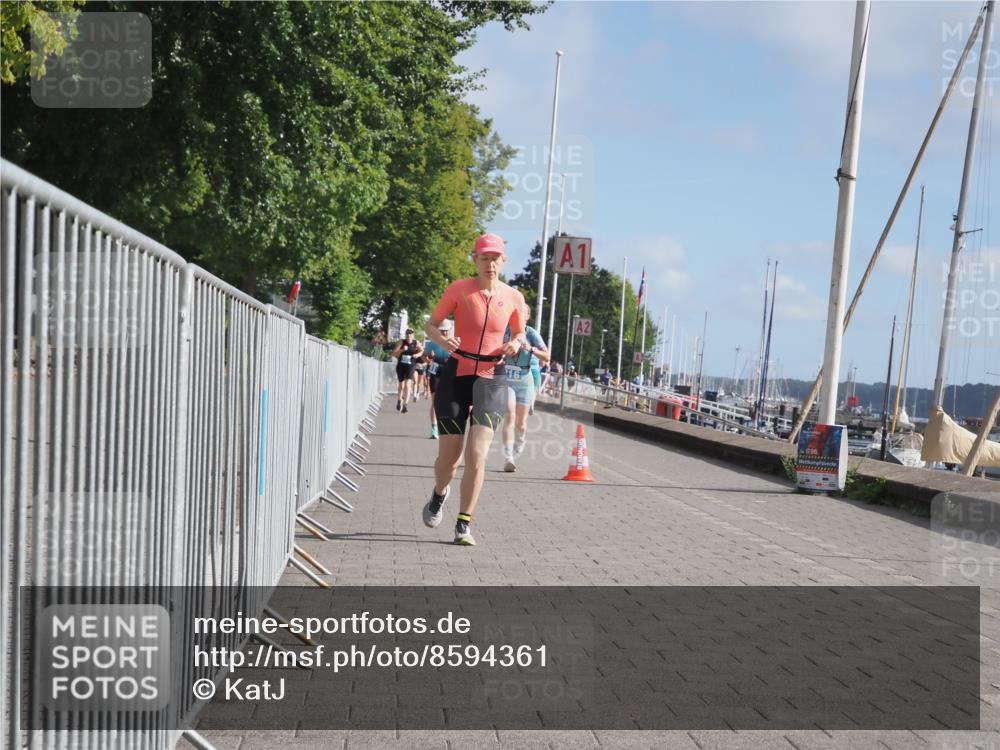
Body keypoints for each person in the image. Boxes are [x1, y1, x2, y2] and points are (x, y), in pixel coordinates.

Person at [421, 233, 526, 546]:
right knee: (448, 460)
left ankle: (463, 523)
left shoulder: (513, 297)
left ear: (503, 261)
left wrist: (515, 342)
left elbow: (520, 332)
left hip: (492, 374)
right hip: (458, 373)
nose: (490, 264)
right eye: (484, 258)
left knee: (477, 454)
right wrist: (442, 340)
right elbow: (432, 323)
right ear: (475, 260)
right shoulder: (459, 289)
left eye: (495, 258)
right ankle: (439, 494)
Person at [500, 304, 549, 472]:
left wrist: (532, 349)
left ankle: (520, 439)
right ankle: (508, 458)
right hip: (507, 378)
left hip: (525, 379)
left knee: (521, 424)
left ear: (527, 317)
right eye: (516, 314)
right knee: (509, 416)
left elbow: (547, 356)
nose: (519, 317)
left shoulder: (531, 333)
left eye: (523, 314)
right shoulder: (504, 331)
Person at [423, 320, 454, 439]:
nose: (444, 332)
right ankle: (434, 428)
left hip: (449, 373)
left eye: (446, 330)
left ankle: (448, 425)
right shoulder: (432, 343)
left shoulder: (453, 343)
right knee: (435, 402)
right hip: (435, 372)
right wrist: (429, 362)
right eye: (442, 330)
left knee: (449, 401)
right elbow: (423, 356)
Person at [391, 329, 423, 413]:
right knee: (401, 385)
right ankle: (399, 400)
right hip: (401, 366)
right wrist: (402, 350)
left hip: (411, 366)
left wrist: (417, 354)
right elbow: (393, 353)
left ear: (413, 335)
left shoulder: (416, 342)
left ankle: (405, 404)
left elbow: (422, 351)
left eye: (410, 335)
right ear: (405, 335)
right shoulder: (401, 342)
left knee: (408, 385)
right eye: (407, 335)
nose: (409, 337)